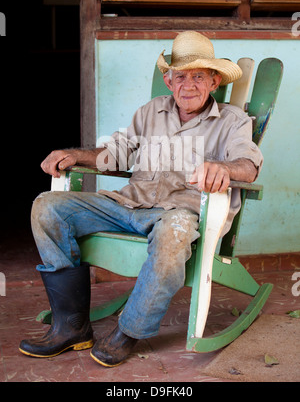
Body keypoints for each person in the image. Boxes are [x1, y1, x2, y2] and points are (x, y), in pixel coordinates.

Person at [19, 31, 263, 367]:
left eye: (198, 77)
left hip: (179, 213)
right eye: (181, 76)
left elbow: (248, 167)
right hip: (128, 204)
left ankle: (128, 331)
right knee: (47, 207)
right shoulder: (151, 112)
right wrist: (71, 154)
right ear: (168, 80)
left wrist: (223, 167)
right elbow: (115, 154)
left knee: (173, 232)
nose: (188, 85)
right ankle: (71, 326)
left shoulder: (232, 121)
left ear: (214, 81)